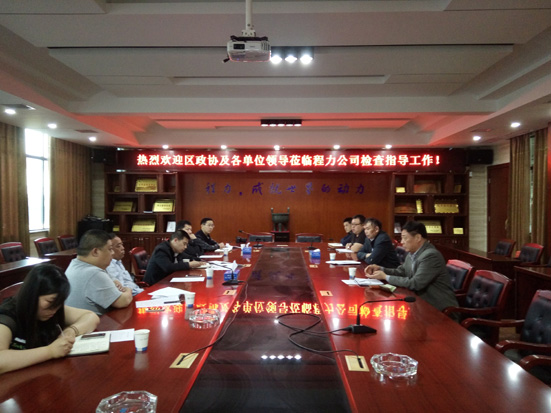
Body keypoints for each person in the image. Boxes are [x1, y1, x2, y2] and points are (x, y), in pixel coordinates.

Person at [0, 264, 100, 375]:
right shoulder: (7, 316)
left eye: (59, 303)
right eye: (50, 302)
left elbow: (91, 316)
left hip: (46, 373)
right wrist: (50, 351)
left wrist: (71, 331)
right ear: (32, 294)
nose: (54, 310)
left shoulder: (53, 309)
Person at [364, 221, 458, 311]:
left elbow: (415, 284)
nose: (402, 242)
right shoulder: (412, 253)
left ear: (418, 238)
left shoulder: (430, 256)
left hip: (437, 308)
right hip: (419, 303)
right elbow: (402, 271)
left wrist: (385, 277)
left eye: (405, 238)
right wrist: (381, 269)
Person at [65, 230, 133, 315]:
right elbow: (123, 301)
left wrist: (113, 280)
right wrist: (128, 289)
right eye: (110, 249)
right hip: (96, 323)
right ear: (95, 252)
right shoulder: (93, 273)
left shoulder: (75, 263)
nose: (112, 253)